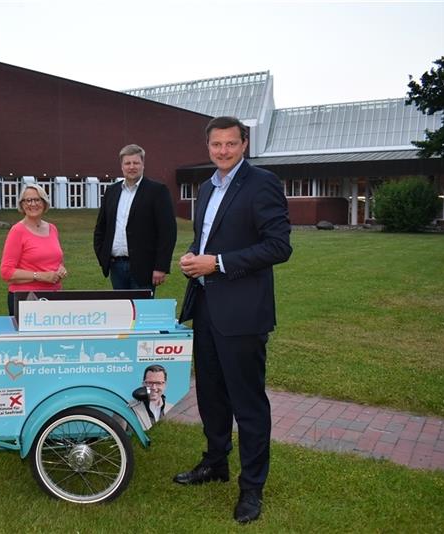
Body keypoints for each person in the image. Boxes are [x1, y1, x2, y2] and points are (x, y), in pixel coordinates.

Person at [174, 117, 292, 524]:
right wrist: (194, 257)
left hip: (243, 312)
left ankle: (252, 489)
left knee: (248, 403)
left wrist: (218, 263)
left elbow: (279, 246)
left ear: (245, 143)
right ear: (207, 146)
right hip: (206, 308)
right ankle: (215, 462)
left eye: (230, 144)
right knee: (210, 394)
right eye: (216, 145)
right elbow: (206, 240)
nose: (222, 151)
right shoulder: (206, 187)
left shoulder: (262, 183)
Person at [93, 144, 177, 293]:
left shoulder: (157, 191)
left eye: (136, 163)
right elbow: (101, 227)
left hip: (145, 268)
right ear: (122, 166)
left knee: (142, 314)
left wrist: (161, 267)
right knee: (123, 313)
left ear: (143, 165)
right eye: (127, 163)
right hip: (116, 266)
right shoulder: (112, 191)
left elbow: (168, 232)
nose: (132, 167)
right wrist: (103, 255)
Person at [0, 184, 67, 316]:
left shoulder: (52, 228)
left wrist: (61, 269)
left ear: (44, 202)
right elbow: (6, 272)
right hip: (26, 298)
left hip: (54, 296)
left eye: (37, 199)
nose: (33, 204)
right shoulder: (17, 231)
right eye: (28, 200)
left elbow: (57, 260)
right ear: (22, 205)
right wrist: (40, 276)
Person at [129, 364, 174, 430]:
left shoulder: (172, 409)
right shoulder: (129, 409)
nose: (154, 387)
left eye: (158, 383)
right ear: (143, 384)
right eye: (150, 383)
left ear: (165, 385)